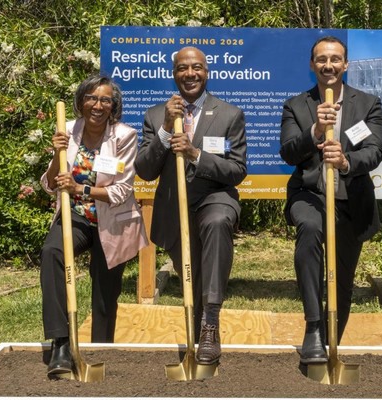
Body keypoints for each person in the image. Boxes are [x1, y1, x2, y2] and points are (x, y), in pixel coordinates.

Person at [135, 46, 247, 365]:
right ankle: (199, 334)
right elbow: (145, 170)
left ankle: (210, 323)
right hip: (175, 209)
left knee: (216, 222)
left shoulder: (229, 115)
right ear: (174, 74)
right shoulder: (155, 115)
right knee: (194, 276)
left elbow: (237, 170)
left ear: (206, 72)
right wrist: (165, 130)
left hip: (215, 199)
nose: (190, 74)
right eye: (183, 68)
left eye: (196, 67)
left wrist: (196, 154)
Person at [279, 36, 382, 364]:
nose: (329, 65)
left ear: (345, 64)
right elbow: (288, 152)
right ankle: (313, 327)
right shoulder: (296, 105)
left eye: (335, 59)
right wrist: (314, 131)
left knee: (343, 276)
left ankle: (330, 338)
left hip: (351, 200)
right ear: (312, 65)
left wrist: (345, 161)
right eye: (322, 59)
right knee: (310, 229)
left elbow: (374, 150)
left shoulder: (367, 104)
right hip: (309, 194)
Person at [40, 75, 148, 375]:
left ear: (113, 106)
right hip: (75, 216)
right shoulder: (67, 131)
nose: (97, 105)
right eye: (91, 98)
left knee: (105, 293)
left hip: (113, 221)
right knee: (52, 252)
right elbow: (50, 185)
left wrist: (80, 188)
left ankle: (101, 350)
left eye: (105, 100)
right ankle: (61, 344)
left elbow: (121, 191)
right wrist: (57, 154)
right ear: (81, 101)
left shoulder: (124, 136)